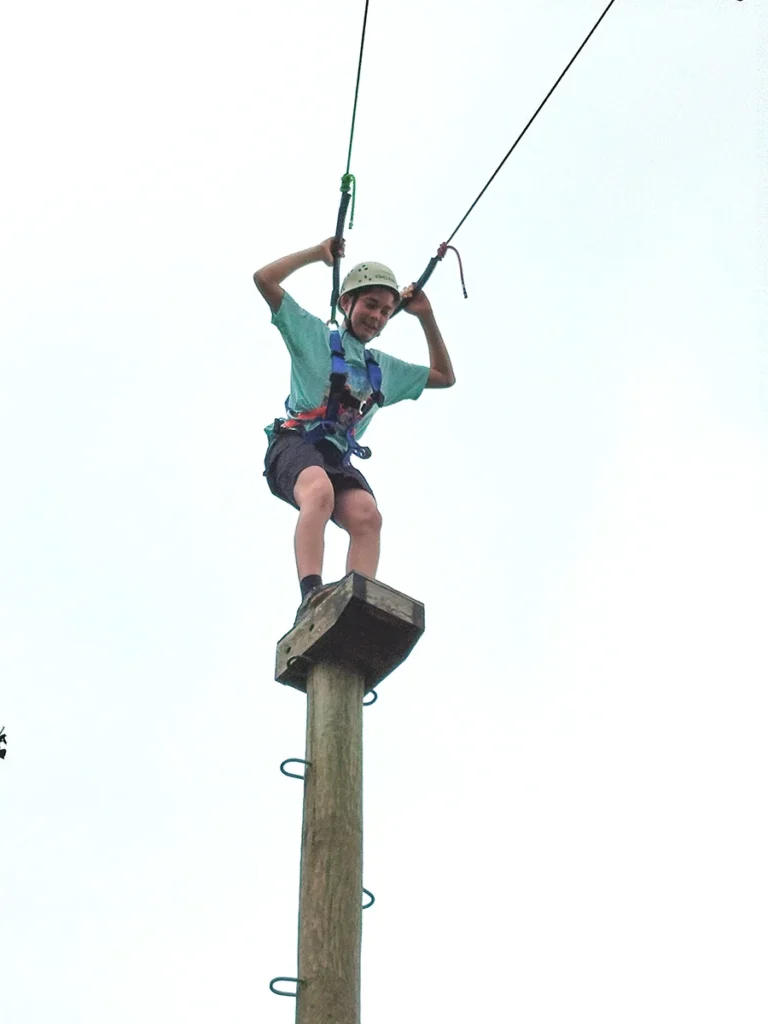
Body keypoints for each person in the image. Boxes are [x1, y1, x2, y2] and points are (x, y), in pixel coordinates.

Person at [253, 237, 455, 621]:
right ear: (347, 302)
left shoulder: (383, 368)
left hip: (336, 456)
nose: (377, 316)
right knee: (320, 491)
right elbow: (265, 279)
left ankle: (354, 607)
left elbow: (444, 376)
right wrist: (317, 254)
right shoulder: (313, 335)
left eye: (385, 311)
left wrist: (425, 315)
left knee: (366, 515)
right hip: (295, 443)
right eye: (370, 305)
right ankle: (311, 596)